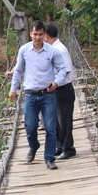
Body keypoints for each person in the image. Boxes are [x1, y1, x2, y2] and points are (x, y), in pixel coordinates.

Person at [9, 20, 68, 170]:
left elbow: (62, 69)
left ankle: (49, 158)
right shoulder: (24, 50)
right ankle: (33, 146)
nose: (37, 37)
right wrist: (13, 89)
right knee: (30, 126)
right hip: (30, 95)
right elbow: (18, 70)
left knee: (50, 128)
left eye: (40, 34)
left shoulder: (53, 51)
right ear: (30, 34)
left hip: (47, 94)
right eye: (35, 34)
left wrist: (56, 82)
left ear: (44, 35)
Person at [44, 23, 76, 160]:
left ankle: (69, 148)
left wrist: (55, 82)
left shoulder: (60, 50)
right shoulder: (52, 49)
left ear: (46, 35)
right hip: (56, 89)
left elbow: (66, 70)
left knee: (64, 120)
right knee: (56, 120)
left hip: (64, 89)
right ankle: (60, 146)